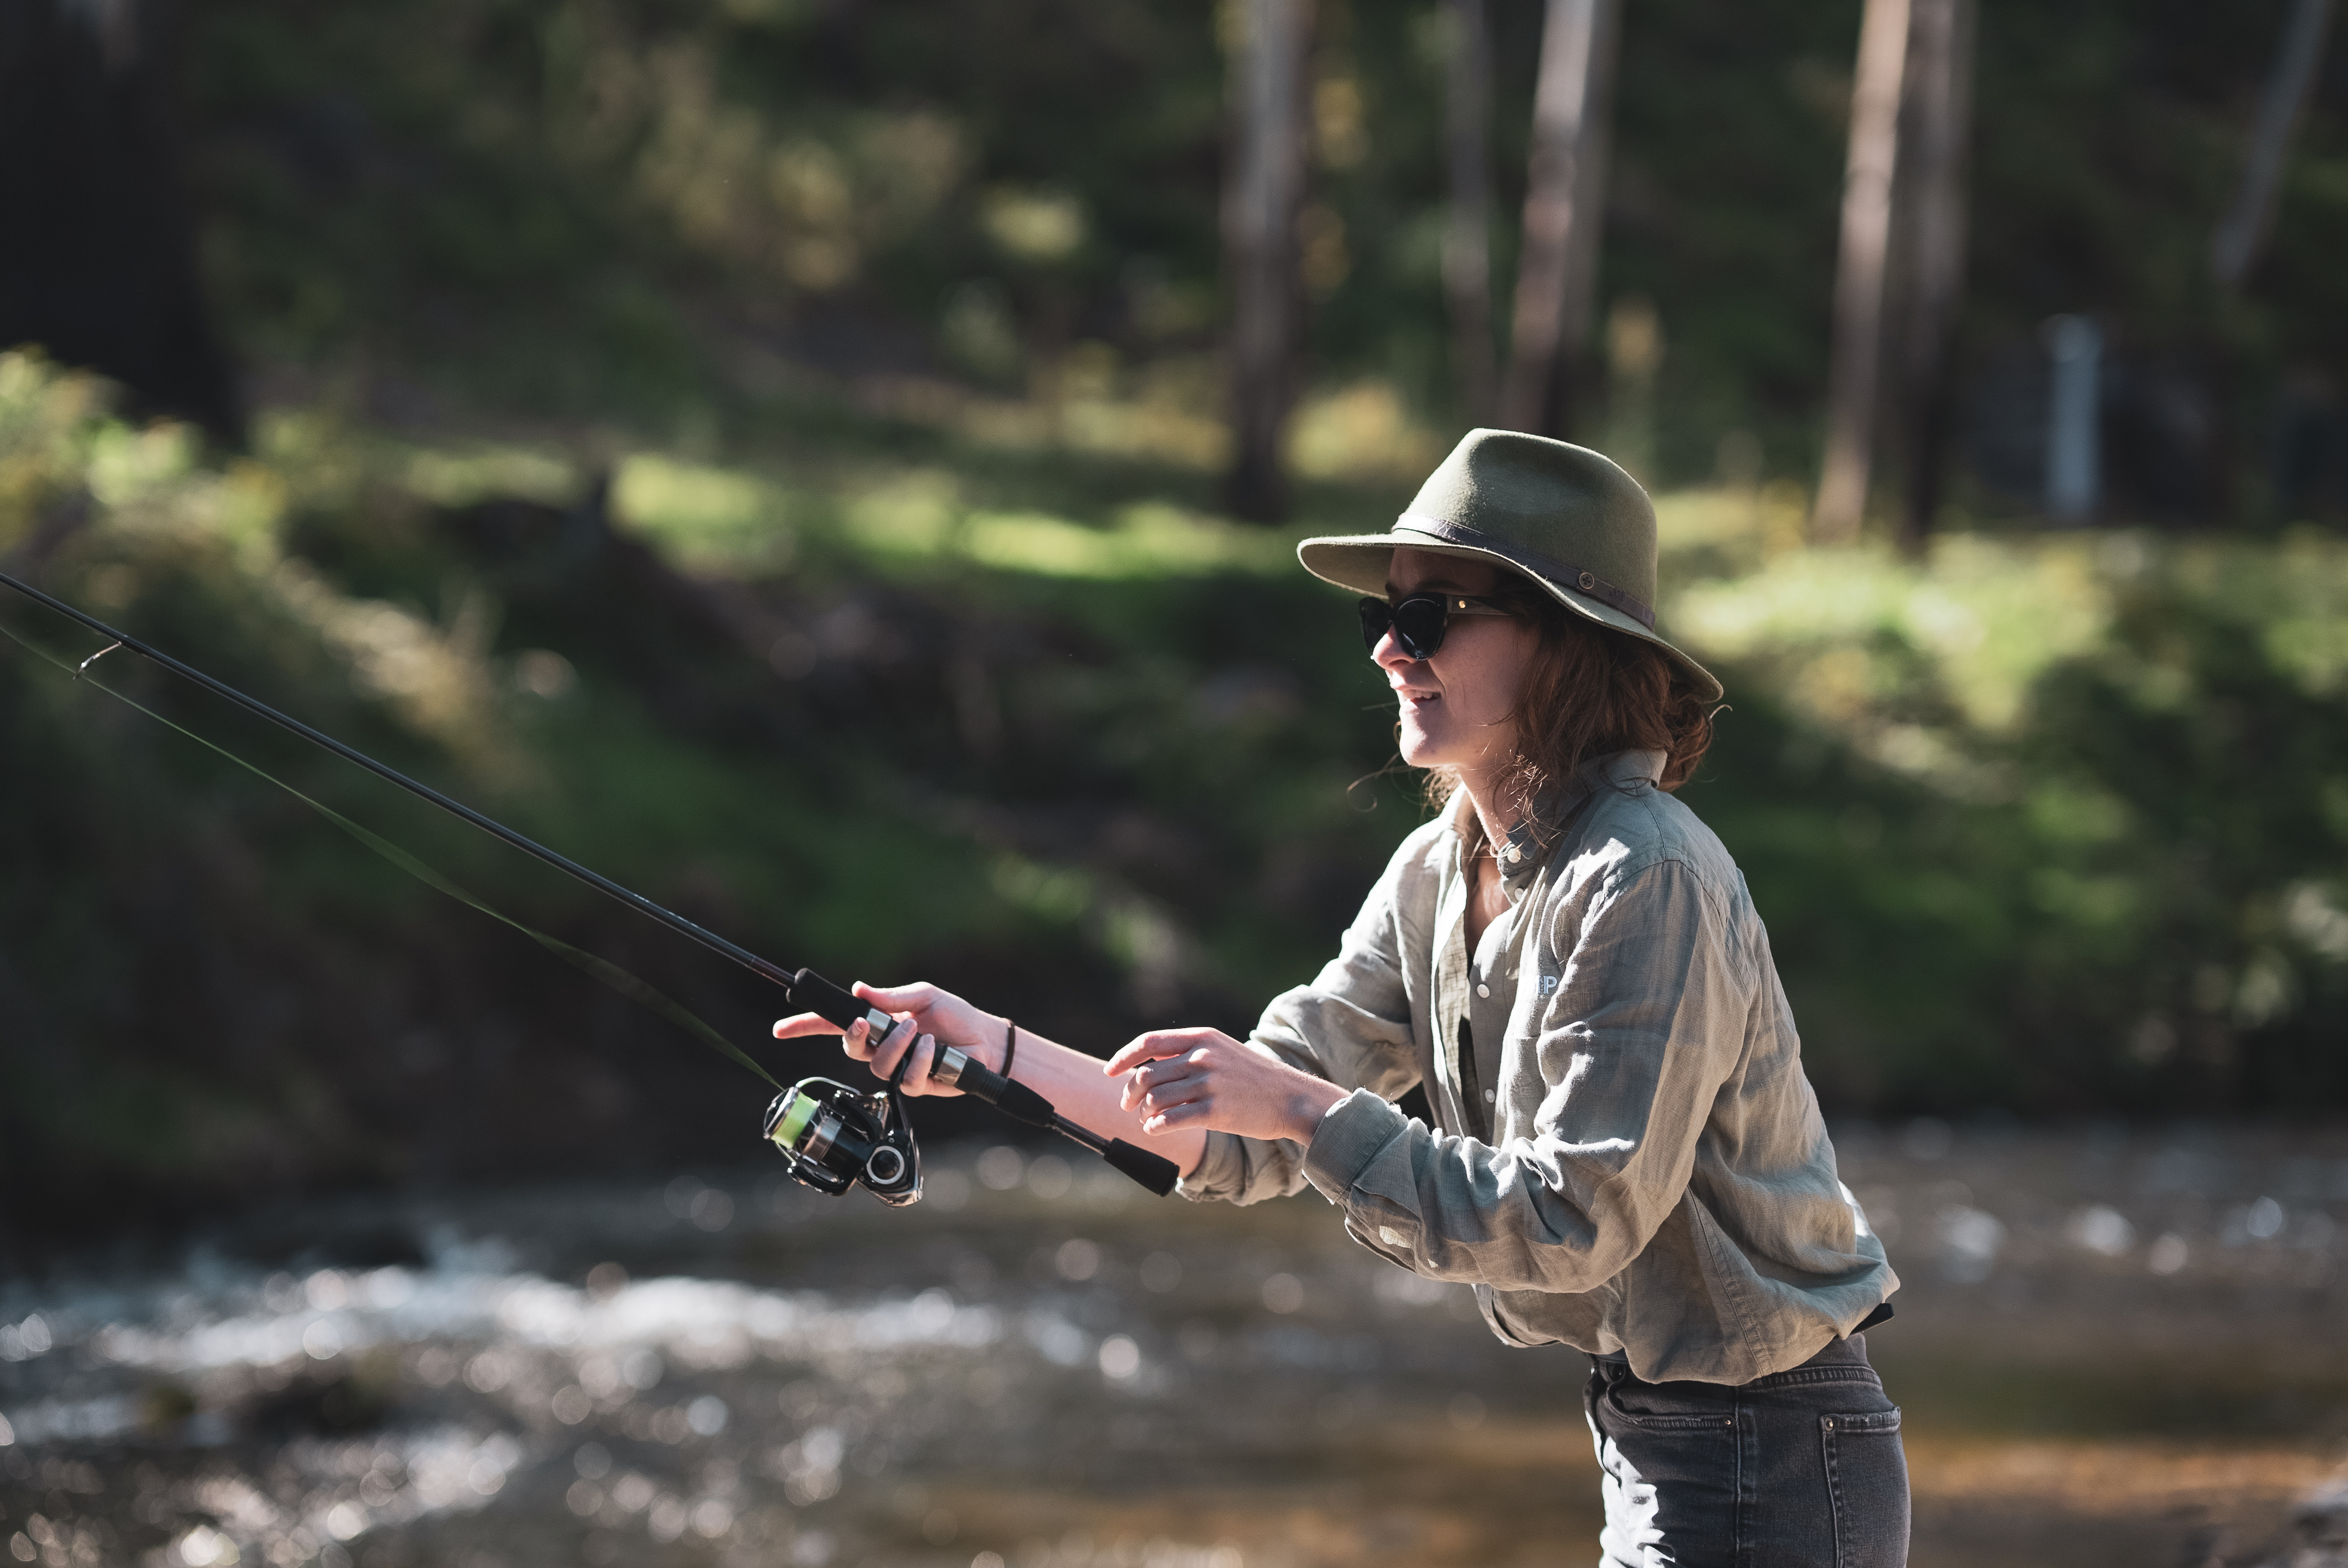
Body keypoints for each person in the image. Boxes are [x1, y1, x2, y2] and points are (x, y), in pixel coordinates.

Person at [773, 430, 1908, 1567]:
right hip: (1662, 1438)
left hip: (1769, 1453)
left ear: (1564, 643)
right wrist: (995, 1051)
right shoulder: (1433, 869)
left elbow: (1574, 1221)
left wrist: (1309, 1115)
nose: (1385, 653)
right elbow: (1237, 1127)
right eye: (1379, 620)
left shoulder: (1645, 876)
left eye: (1425, 621)